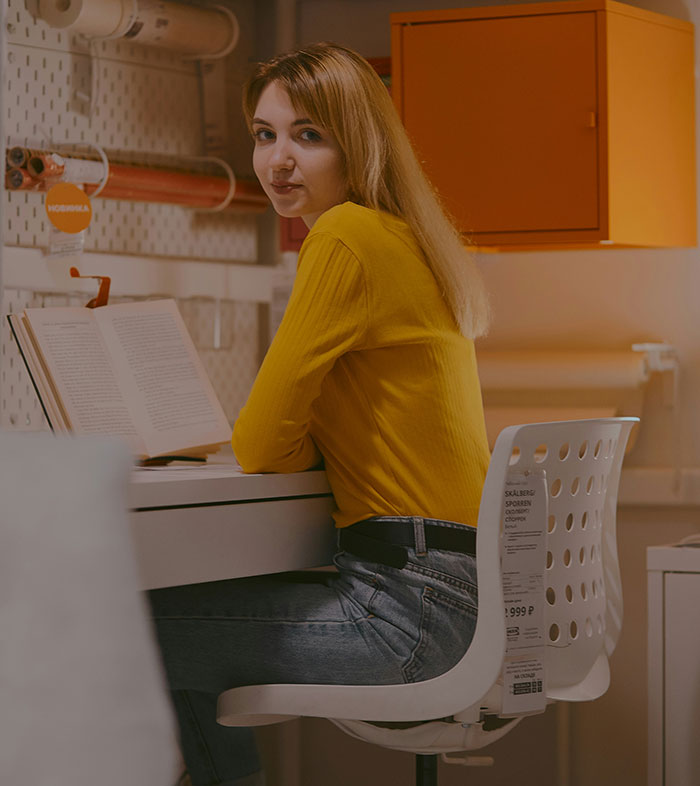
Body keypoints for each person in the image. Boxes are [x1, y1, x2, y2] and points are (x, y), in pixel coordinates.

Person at [149, 42, 491, 786]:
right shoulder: (410, 237)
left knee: (133, 624)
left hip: (409, 611)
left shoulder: (343, 237)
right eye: (266, 134)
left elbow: (264, 447)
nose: (278, 161)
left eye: (308, 135)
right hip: (460, 594)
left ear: (354, 143)